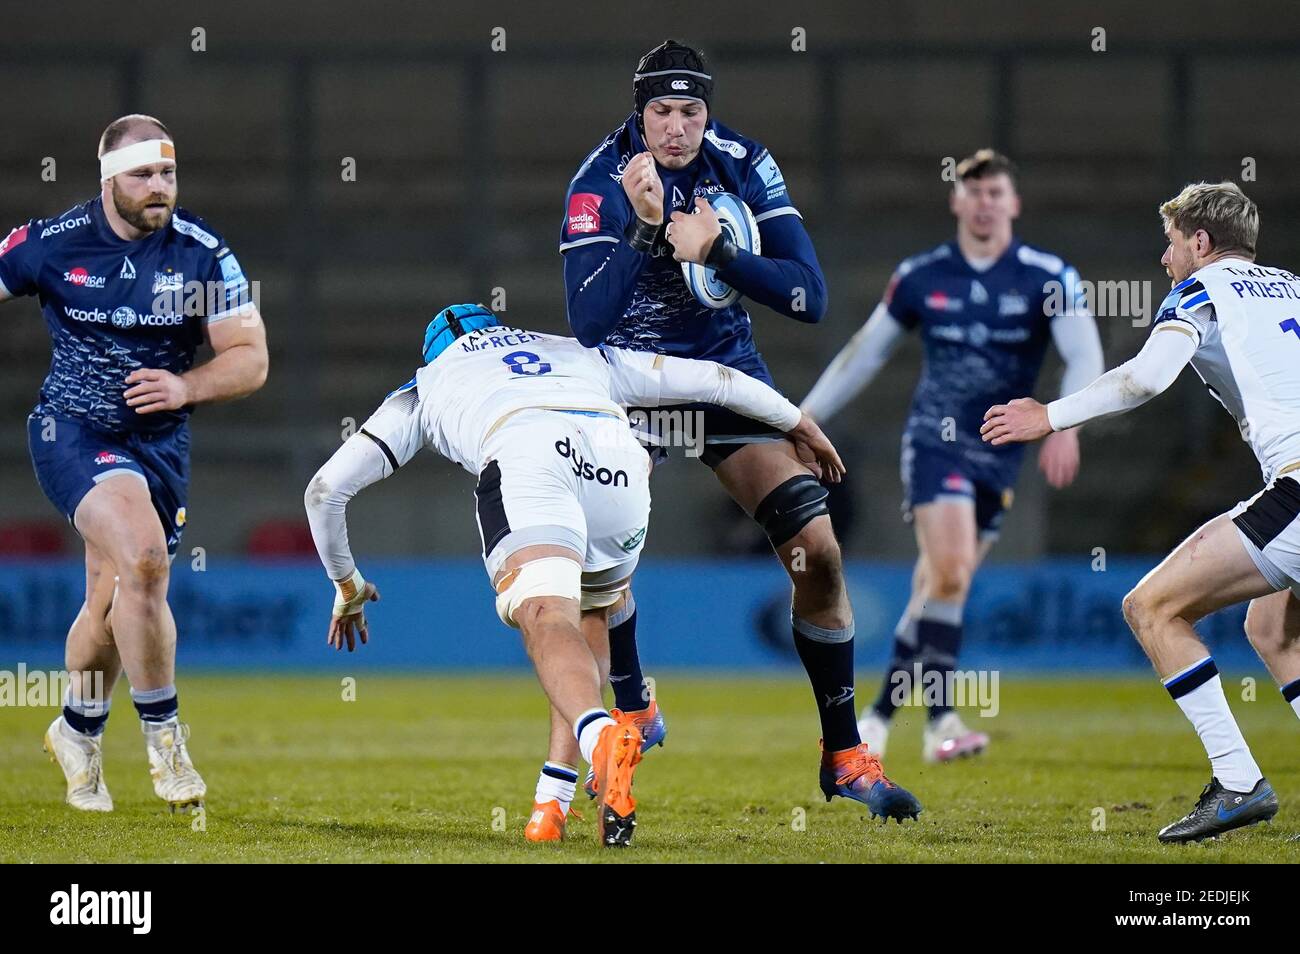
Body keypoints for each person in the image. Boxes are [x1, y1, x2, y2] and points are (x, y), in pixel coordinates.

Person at [302, 304, 898, 844]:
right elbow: (712, 379)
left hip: (529, 459)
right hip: (618, 465)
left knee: (546, 618)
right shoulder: (575, 347)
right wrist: (797, 420)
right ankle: (554, 799)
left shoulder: (424, 386)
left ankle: (601, 734)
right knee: (592, 610)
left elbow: (326, 490)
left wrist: (347, 584)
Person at [559, 40, 919, 820]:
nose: (678, 128)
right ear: (639, 113)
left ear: (707, 111)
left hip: (726, 380)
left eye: (691, 111)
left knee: (818, 555)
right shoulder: (599, 183)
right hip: (629, 390)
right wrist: (647, 230)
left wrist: (718, 249)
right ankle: (632, 708)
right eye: (662, 111)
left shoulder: (745, 164)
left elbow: (810, 296)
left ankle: (845, 754)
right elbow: (586, 322)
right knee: (603, 558)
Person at [982, 181, 1298, 842]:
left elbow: (1146, 378)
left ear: (1201, 243)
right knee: (1273, 631)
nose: (1166, 258)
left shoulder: (1202, 290)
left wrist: (1051, 415)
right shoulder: (1292, 287)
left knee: (1150, 607)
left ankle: (1238, 781)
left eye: (1172, 242)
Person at [0, 114, 269, 812]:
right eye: (144, 174)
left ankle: (77, 729)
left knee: (113, 601)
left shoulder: (204, 254)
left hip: (159, 446)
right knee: (146, 560)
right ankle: (165, 741)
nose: (159, 187)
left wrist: (186, 385)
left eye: (168, 173)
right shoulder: (52, 244)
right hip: (74, 433)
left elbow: (250, 358)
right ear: (108, 180)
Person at [802, 149, 1104, 762]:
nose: (985, 203)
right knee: (949, 575)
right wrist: (804, 416)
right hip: (935, 442)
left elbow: (1085, 356)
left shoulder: (1048, 276)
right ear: (956, 201)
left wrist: (1068, 421)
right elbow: (865, 352)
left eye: (996, 193)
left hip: (1002, 450)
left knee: (940, 586)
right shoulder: (921, 275)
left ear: (1013, 203)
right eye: (974, 192)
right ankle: (941, 720)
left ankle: (878, 720)